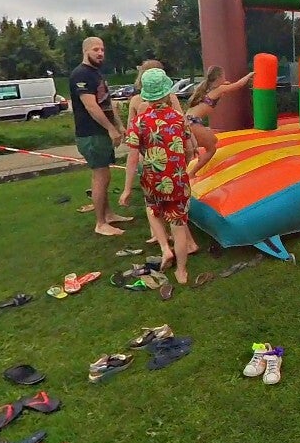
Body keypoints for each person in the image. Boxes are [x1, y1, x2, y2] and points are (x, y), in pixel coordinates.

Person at [120, 67, 197, 283]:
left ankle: (165, 248)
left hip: (152, 180)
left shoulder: (139, 122)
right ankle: (181, 272)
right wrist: (182, 165)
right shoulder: (179, 118)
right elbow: (190, 148)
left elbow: (132, 159)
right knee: (178, 226)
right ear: (166, 93)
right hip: (178, 180)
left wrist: (127, 189)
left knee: (153, 211)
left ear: (146, 95)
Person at [69, 37, 131, 236]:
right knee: (100, 176)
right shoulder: (81, 74)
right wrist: (110, 129)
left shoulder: (96, 74)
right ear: (85, 51)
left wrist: (119, 125)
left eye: (102, 49)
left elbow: (107, 102)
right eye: (96, 49)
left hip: (101, 133)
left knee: (105, 175)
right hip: (91, 134)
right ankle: (100, 223)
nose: (100, 53)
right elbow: (91, 106)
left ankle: (108, 214)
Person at [185, 66, 254, 173]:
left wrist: (225, 83)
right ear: (219, 77)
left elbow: (225, 86)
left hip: (189, 120)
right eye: (223, 76)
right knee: (211, 149)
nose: (225, 78)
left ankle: (194, 150)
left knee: (213, 140)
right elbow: (239, 85)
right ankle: (192, 173)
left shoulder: (207, 88)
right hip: (193, 122)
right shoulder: (219, 89)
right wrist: (250, 74)